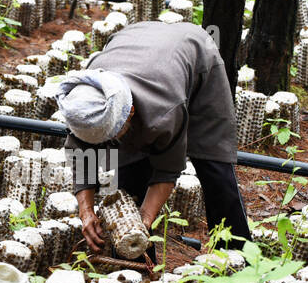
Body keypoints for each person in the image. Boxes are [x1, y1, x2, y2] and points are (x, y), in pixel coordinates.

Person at [52, 21, 252, 253]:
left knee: (214, 166)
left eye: (112, 136)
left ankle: (237, 253)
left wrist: (144, 220)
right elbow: (82, 151)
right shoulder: (84, 101)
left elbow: (167, 171)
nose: (109, 144)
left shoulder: (164, 113)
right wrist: (86, 212)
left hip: (195, 54)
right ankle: (137, 264)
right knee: (129, 179)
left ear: (131, 112)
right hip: (135, 40)